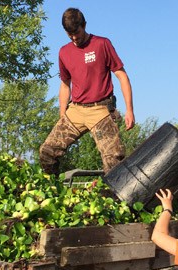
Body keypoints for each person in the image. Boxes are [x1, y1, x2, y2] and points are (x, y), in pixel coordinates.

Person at [39, 8, 135, 175]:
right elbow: (64, 85)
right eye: (70, 35)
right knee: (47, 152)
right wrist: (63, 115)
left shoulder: (102, 44)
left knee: (114, 159)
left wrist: (130, 110)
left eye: (77, 33)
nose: (75, 38)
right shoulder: (64, 52)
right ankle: (52, 189)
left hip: (101, 110)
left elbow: (122, 76)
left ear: (84, 25)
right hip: (75, 110)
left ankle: (109, 198)